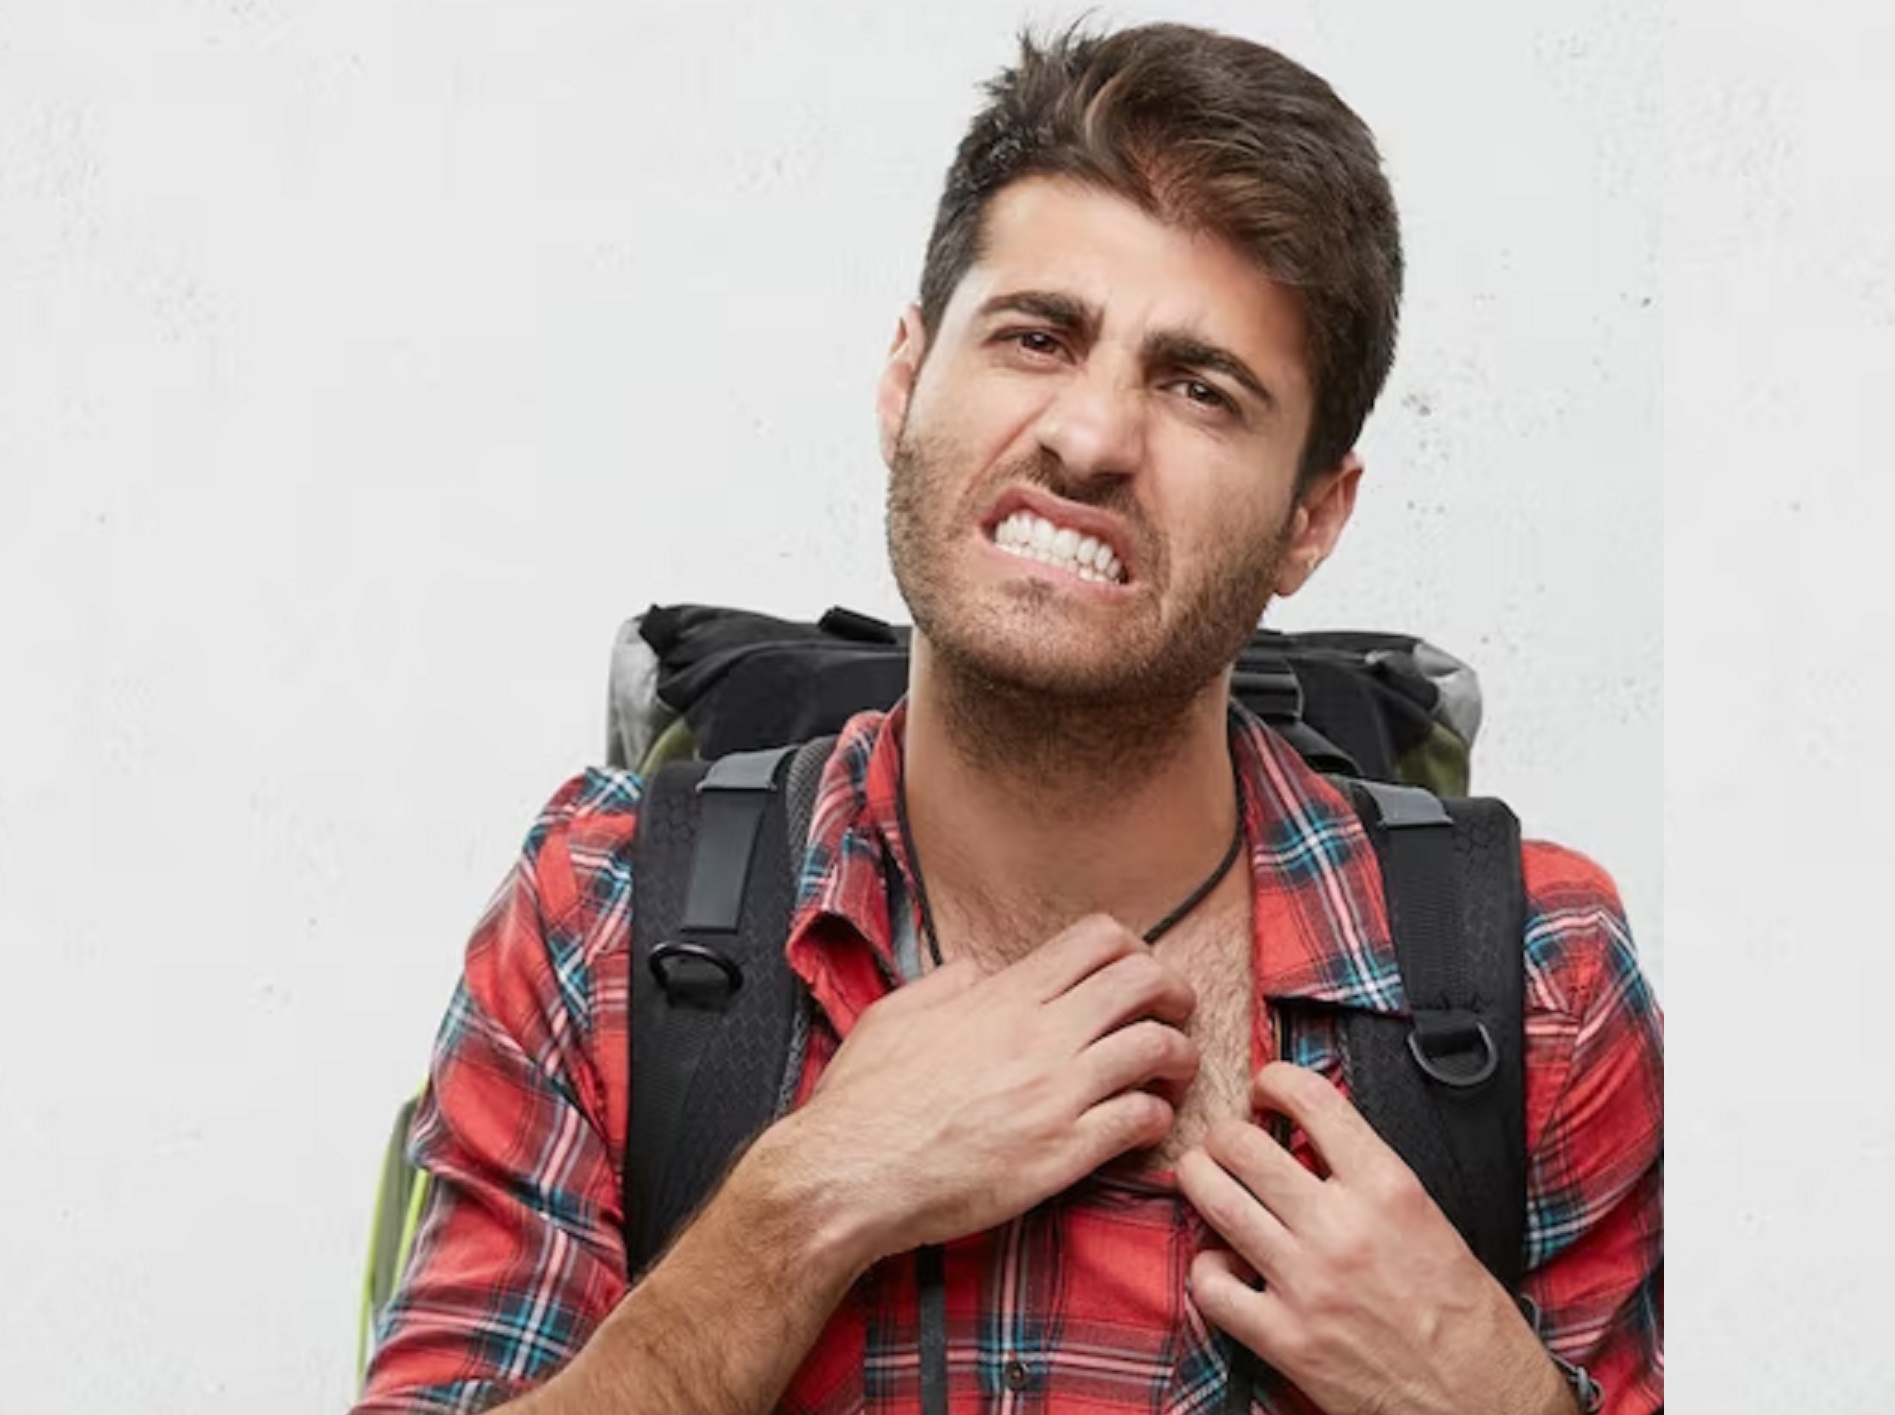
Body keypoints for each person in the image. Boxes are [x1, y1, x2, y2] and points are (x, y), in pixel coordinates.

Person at [353, 21, 1662, 1415]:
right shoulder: (601, 912)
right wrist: (802, 1206)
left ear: (1313, 519)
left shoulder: (1540, 982)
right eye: (1039, 335)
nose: (1090, 438)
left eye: (1199, 387)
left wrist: (1489, 1399)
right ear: (906, 381)